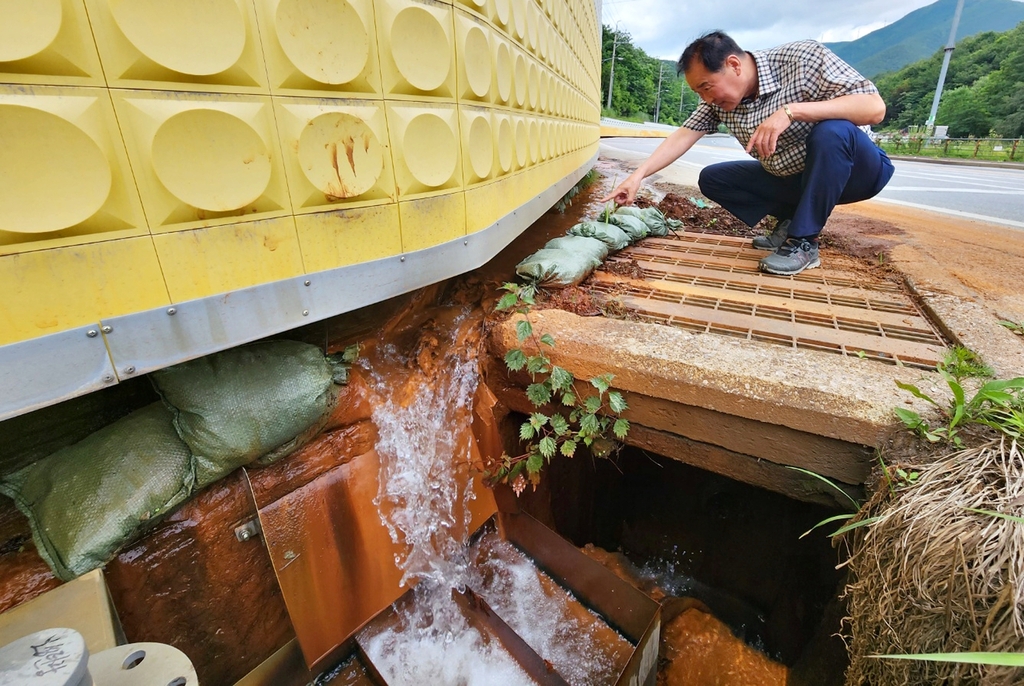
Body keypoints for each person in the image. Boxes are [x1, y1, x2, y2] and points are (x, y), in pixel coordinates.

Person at [602, 31, 894, 276]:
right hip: (797, 179)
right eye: (699, 93)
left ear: (734, 65)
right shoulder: (719, 102)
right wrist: (637, 176)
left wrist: (792, 112)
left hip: (857, 170)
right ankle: (793, 219)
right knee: (715, 179)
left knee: (833, 131)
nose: (706, 99)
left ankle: (804, 242)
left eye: (707, 87)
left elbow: (875, 108)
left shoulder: (802, 59)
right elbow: (683, 135)